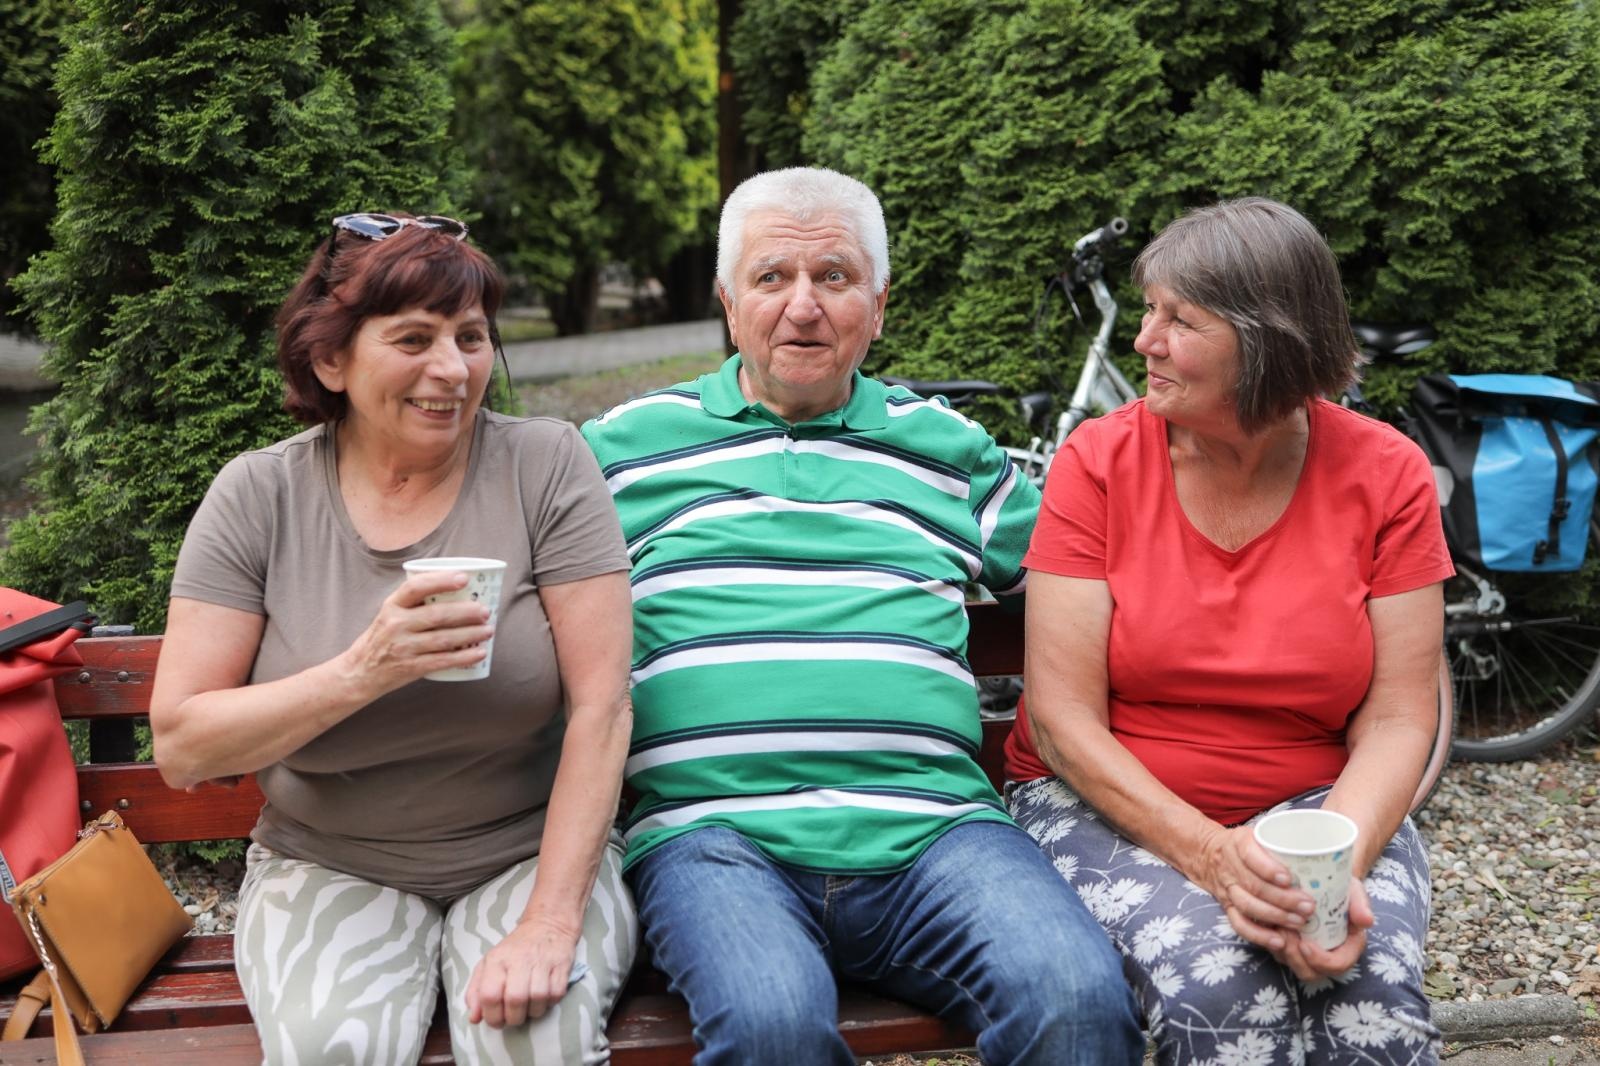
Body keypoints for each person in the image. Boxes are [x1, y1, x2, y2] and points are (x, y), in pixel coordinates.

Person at [581, 167, 1142, 1066]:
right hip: (715, 840)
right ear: (730, 304)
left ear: (877, 307)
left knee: (1074, 999)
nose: (802, 307)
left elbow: (1099, 575)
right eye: (772, 279)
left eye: (833, 278)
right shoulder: (621, 451)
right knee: (770, 1024)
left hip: (937, 833)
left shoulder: (949, 451)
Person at [150, 212, 637, 1065]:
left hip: (530, 852)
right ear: (331, 360)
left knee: (537, 1042)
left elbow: (602, 708)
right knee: (331, 1050)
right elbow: (184, 744)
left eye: (471, 337)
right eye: (414, 339)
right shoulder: (260, 496)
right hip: (331, 859)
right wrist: (362, 672)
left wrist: (552, 921)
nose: (452, 370)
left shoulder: (547, 466)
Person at [1005, 197, 1451, 1065]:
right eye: (1148, 311)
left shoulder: (1384, 474)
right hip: (1108, 809)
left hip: (1318, 813)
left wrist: (1333, 869)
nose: (1145, 340)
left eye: (1181, 319)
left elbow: (1400, 717)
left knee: (1372, 1005)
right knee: (1222, 994)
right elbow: (1062, 723)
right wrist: (1216, 860)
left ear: (1268, 340)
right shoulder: (1098, 464)